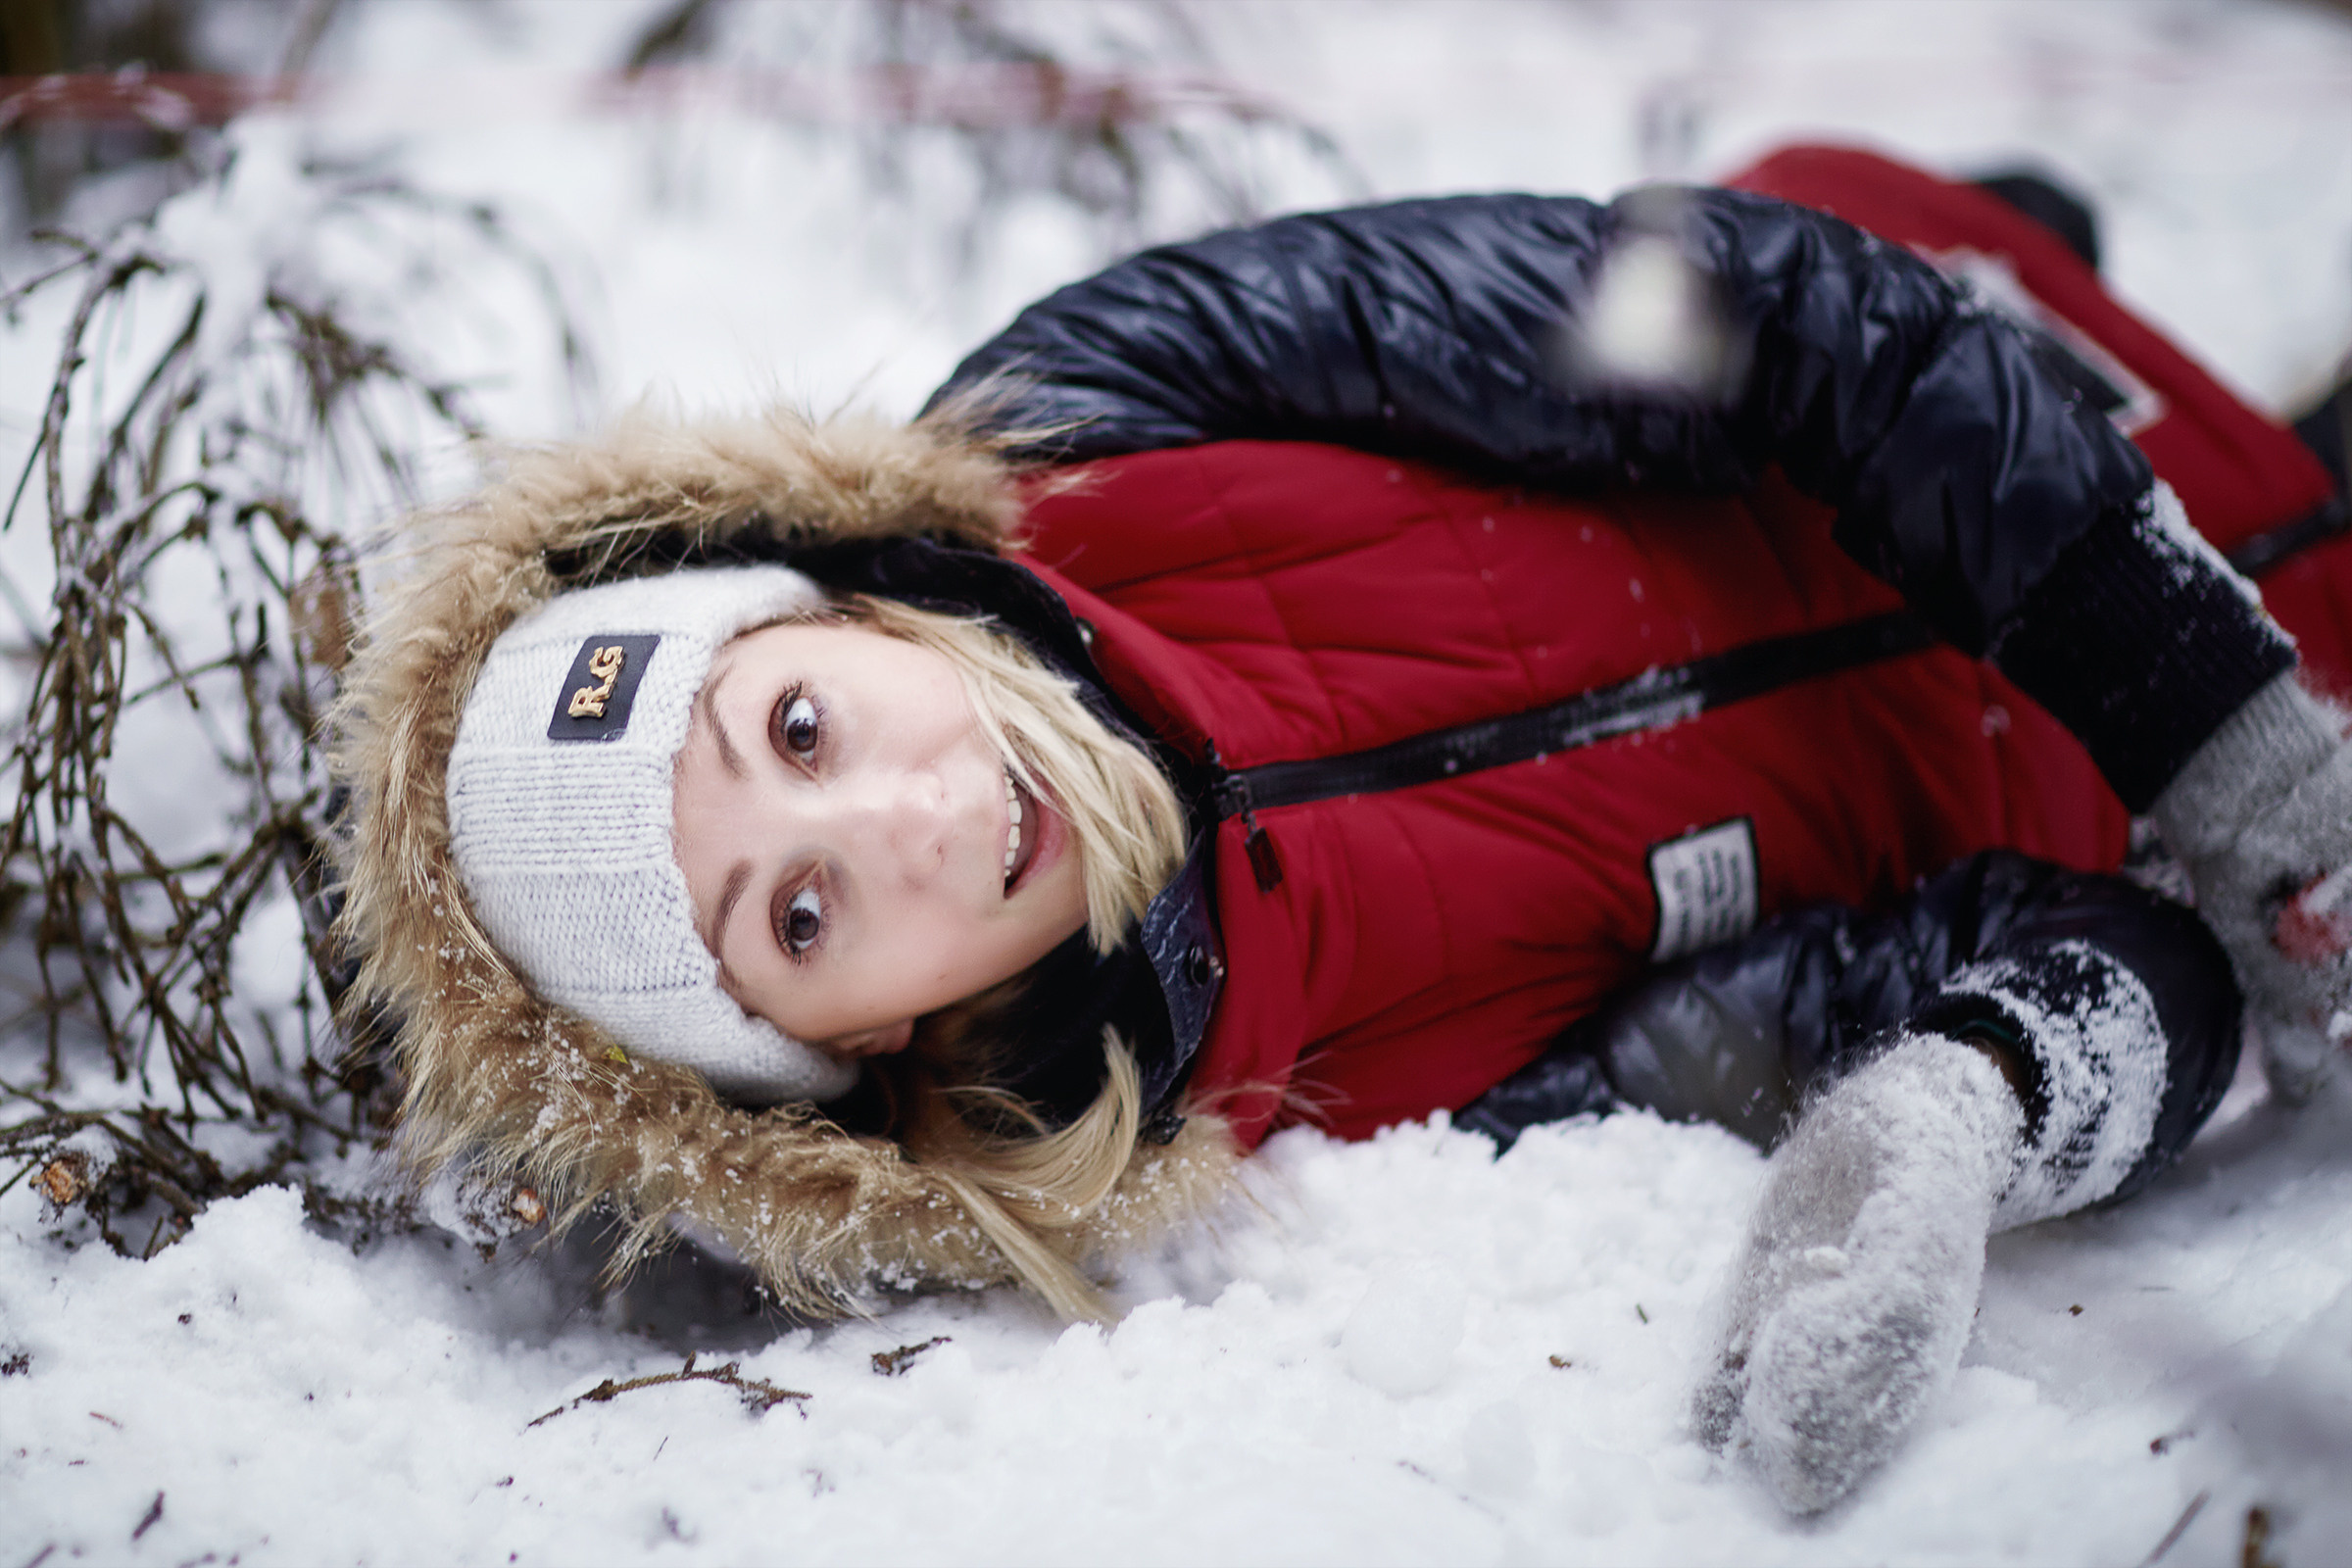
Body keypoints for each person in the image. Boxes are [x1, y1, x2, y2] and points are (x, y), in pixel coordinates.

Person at [330, 145, 2352, 1514]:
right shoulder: (1334, 1108)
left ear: (845, 603)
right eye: (794, 909)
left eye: (798, 721)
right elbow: (2114, 960)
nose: (920, 816)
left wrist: (2223, 728)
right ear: (836, 1054)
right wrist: (1968, 1099)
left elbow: (1736, 313)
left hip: (2017, 378)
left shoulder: (1101, 409)